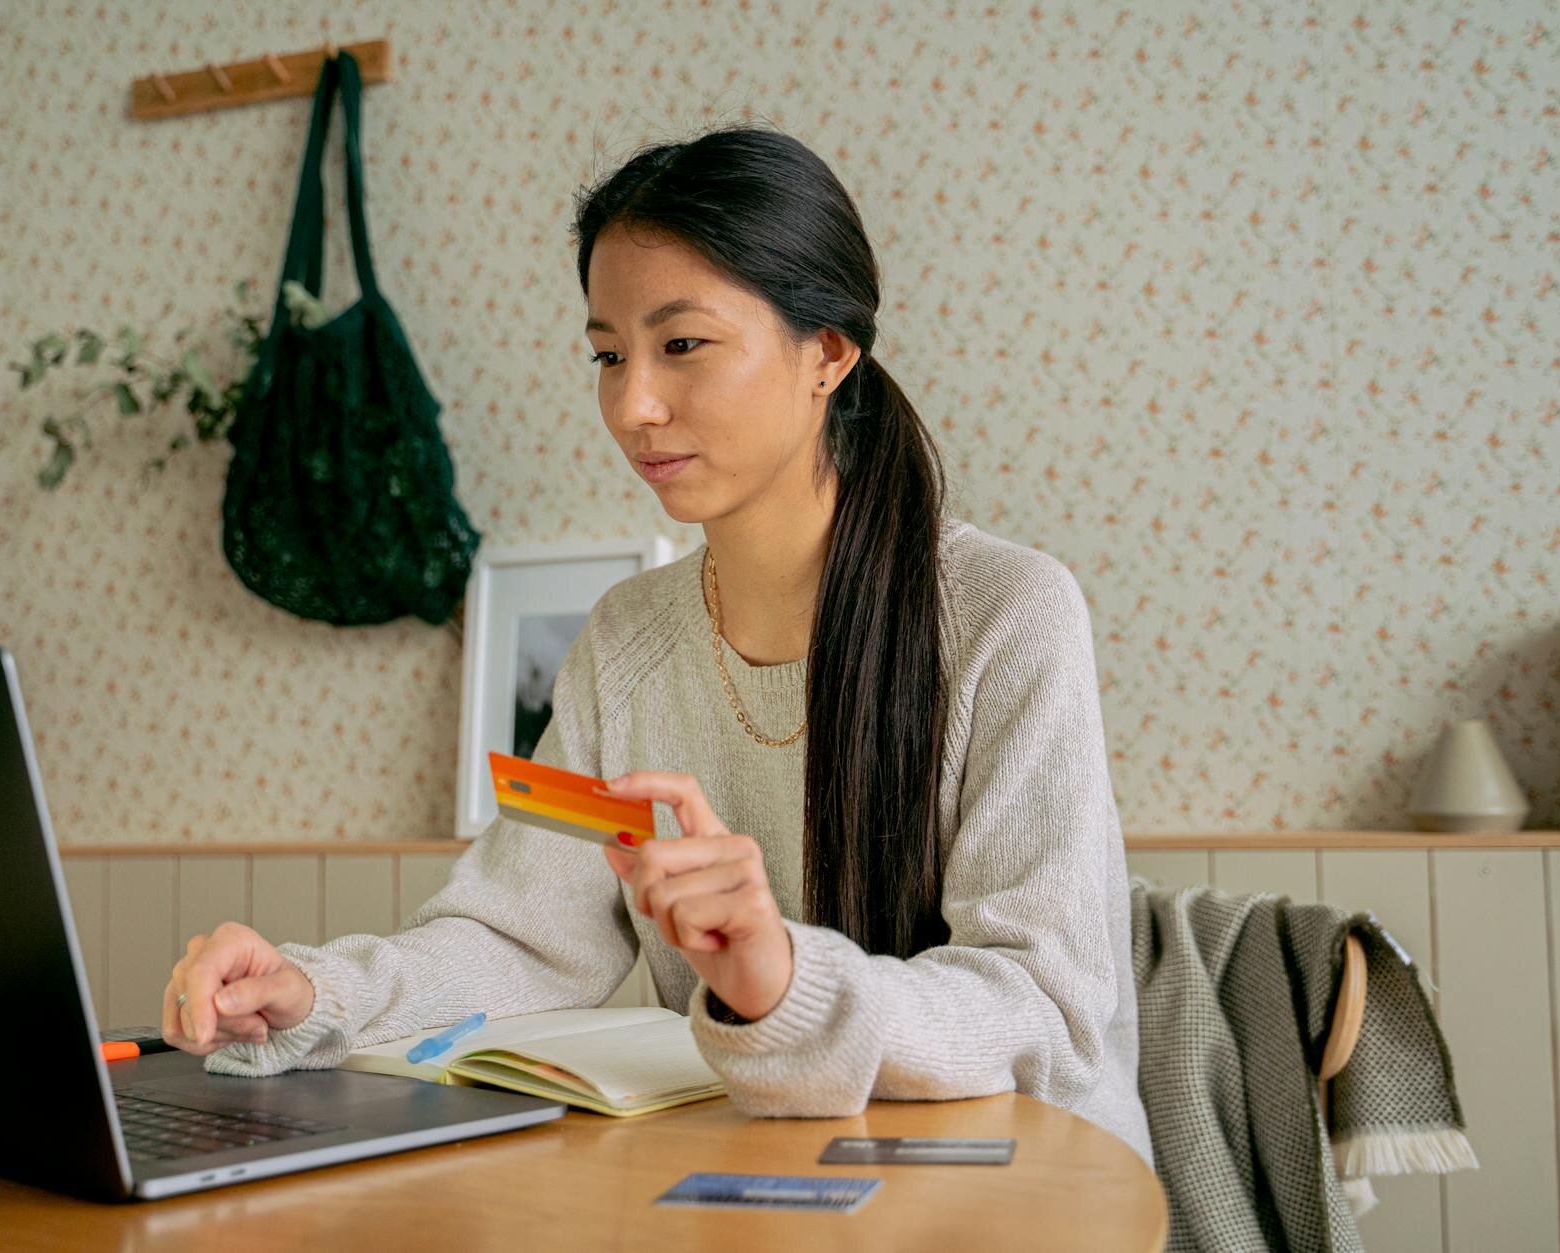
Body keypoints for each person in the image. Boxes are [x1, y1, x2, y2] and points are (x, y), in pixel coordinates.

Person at [162, 125, 1152, 1166]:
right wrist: (316, 991)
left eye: (681, 345)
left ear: (826, 351)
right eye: (606, 354)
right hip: (777, 1178)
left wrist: (784, 979)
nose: (632, 405)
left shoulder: (1006, 611)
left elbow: (1042, 1001)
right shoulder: (627, 639)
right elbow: (521, 936)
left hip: (1022, 1186)